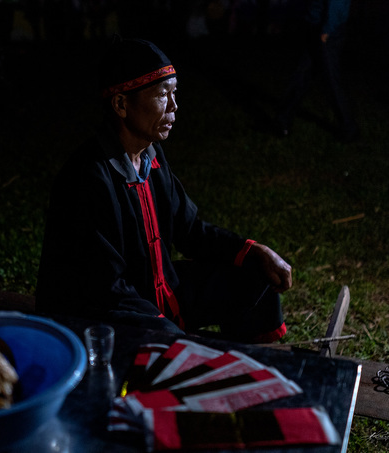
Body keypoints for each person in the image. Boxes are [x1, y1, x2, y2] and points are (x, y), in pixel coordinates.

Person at [36, 38, 292, 342]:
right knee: (171, 342)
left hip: (158, 292)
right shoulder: (88, 177)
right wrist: (162, 326)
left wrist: (253, 251)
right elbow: (104, 288)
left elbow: (191, 231)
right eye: (162, 95)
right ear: (121, 104)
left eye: (174, 93)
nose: (174, 106)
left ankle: (250, 368)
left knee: (255, 276)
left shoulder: (150, 156)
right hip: (98, 311)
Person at [275, 0, 359, 142]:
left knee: (331, 81)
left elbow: (337, 3)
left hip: (326, 32)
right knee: (301, 75)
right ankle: (282, 121)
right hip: (316, 27)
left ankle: (349, 128)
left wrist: (327, 30)